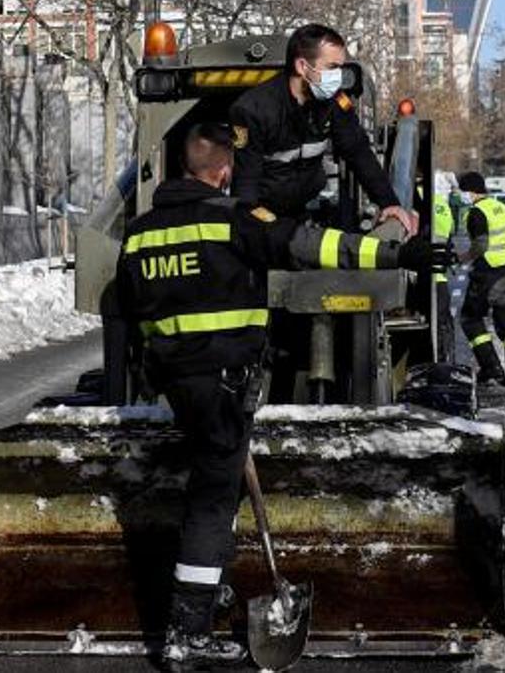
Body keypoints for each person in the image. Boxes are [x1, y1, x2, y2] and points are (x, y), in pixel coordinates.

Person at [115, 123, 442, 666]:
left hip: (176, 383)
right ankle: (186, 629)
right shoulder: (233, 220)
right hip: (224, 383)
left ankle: (211, 583)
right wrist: (394, 257)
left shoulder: (142, 233)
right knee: (212, 498)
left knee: (215, 479)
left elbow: (129, 309)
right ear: (223, 172)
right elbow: (309, 245)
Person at [229, 23, 416, 235]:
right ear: (302, 67)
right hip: (265, 216)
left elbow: (358, 152)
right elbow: (246, 183)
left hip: (303, 211)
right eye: (332, 68)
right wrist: (257, 230)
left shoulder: (334, 102)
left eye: (341, 68)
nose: (338, 76)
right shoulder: (253, 110)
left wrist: (389, 203)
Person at [457, 171, 505, 387]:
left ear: (470, 191)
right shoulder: (500, 207)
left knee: (470, 318)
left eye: (462, 191)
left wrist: (464, 258)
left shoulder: (476, 212)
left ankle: (491, 367)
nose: (461, 196)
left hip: (487, 272)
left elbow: (481, 244)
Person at [432, 174, 456, 361]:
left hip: (415, 274)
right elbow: (449, 235)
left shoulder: (407, 200)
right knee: (443, 321)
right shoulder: (442, 204)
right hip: (439, 275)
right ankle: (444, 357)